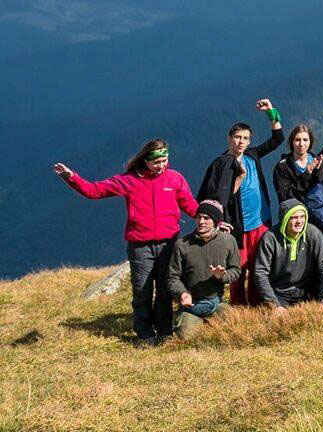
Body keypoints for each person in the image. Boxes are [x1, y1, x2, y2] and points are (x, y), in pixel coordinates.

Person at [53, 139, 198, 345]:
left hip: (169, 244)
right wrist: (72, 177)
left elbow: (190, 206)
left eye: (165, 160)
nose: (162, 166)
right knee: (142, 291)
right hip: (140, 246)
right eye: (157, 162)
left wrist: (211, 219)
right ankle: (145, 334)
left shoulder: (175, 179)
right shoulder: (129, 180)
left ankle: (165, 331)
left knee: (166, 289)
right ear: (146, 160)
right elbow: (94, 191)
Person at [197, 99, 284, 306]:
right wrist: (218, 222)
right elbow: (210, 197)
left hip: (260, 222)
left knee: (259, 266)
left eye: (245, 138)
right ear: (229, 138)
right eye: (237, 137)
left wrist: (271, 112)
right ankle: (238, 306)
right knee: (238, 268)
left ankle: (256, 305)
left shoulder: (252, 155)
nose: (241, 142)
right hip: (236, 226)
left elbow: (278, 138)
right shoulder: (221, 164)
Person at [168, 200, 241, 339]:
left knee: (232, 330)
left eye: (206, 218)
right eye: (198, 217)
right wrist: (182, 293)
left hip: (216, 302)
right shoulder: (182, 245)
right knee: (185, 338)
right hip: (191, 305)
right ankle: (190, 321)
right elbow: (173, 277)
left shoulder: (228, 241)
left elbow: (236, 270)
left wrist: (222, 276)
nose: (201, 221)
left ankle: (208, 322)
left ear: (216, 221)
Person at [251, 200, 323, 308]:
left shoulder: (313, 233)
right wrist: (274, 304)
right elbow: (260, 272)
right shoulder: (270, 238)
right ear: (284, 219)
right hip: (279, 293)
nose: (299, 221)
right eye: (294, 217)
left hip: (307, 291)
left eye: (302, 216)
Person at [272, 124, 323, 205]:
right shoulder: (283, 167)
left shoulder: (318, 162)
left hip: (316, 212)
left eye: (305, 140)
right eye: (297, 140)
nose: (301, 144)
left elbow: (322, 191)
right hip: (295, 214)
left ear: (310, 142)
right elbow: (284, 196)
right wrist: (307, 174)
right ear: (291, 142)